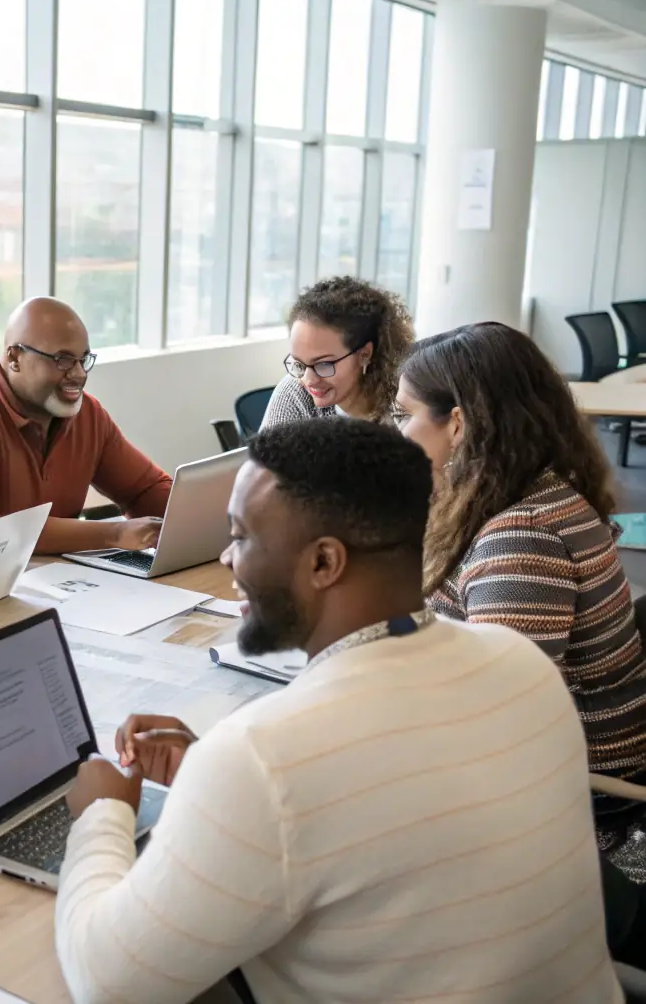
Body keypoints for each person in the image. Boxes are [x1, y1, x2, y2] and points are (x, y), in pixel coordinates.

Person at [54, 419, 617, 1004]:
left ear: (324, 563)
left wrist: (103, 813)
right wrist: (215, 791)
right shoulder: (521, 661)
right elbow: (390, 812)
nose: (226, 558)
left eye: (243, 537)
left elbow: (105, 984)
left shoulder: (264, 758)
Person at [397, 321, 646, 854]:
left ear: (458, 424)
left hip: (585, 806)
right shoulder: (529, 491)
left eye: (405, 415)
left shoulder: (521, 536)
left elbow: (503, 716)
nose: (398, 431)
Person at [0, 297, 171, 565]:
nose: (78, 374)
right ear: (14, 357)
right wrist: (115, 534)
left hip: (37, 577)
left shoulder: (88, 414)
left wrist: (200, 520)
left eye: (83, 359)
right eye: (62, 360)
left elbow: (143, 490)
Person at [259, 275, 413, 429]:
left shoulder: (407, 403)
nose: (308, 379)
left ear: (364, 354)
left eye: (323, 364)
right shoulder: (295, 392)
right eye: (299, 364)